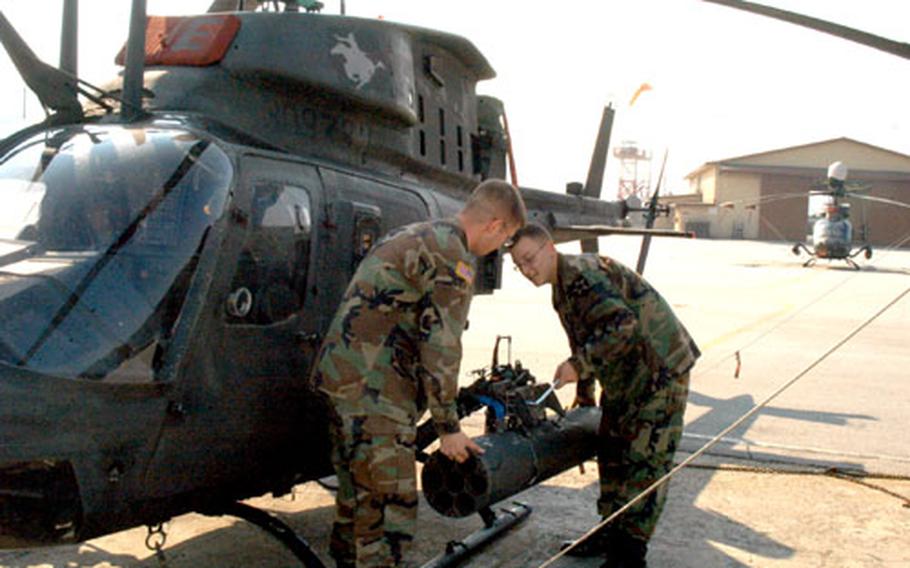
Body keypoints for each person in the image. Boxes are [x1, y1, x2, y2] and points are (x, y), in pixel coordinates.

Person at [311, 179, 526, 567]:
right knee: (389, 511)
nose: (500, 249)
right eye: (506, 240)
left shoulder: (419, 234)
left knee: (358, 500)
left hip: (342, 381)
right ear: (495, 226)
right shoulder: (454, 259)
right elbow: (441, 347)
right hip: (376, 394)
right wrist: (448, 428)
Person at [508, 223, 699, 568]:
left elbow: (622, 329)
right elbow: (585, 336)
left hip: (659, 370)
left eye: (529, 259)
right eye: (519, 265)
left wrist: (579, 366)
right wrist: (585, 392)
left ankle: (629, 555)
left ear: (549, 248)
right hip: (626, 375)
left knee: (645, 461)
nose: (526, 270)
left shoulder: (584, 278)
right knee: (611, 449)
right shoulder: (561, 287)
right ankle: (611, 531)